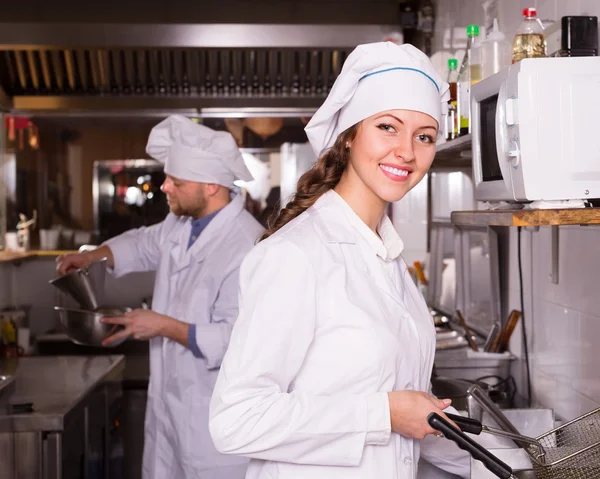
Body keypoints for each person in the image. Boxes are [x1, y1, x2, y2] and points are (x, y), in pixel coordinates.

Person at [208, 42, 471, 478]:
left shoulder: (388, 259)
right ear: (349, 135)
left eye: (424, 136)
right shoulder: (295, 255)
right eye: (388, 127)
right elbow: (236, 420)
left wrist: (516, 464)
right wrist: (381, 414)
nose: (406, 150)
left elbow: (409, 419)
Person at [56, 115, 264, 479]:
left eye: (176, 181)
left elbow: (238, 339)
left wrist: (162, 326)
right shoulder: (181, 225)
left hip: (215, 432)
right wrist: (93, 256)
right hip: (170, 419)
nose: (164, 186)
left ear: (211, 186)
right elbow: (142, 243)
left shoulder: (248, 245)